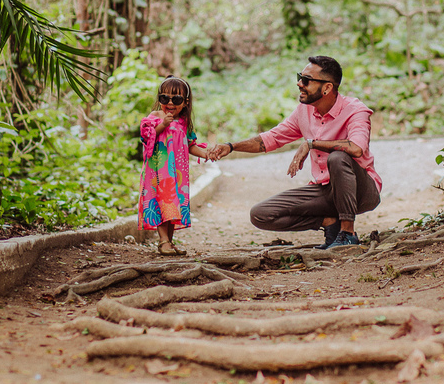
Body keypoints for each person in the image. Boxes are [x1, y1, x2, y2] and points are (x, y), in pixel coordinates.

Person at [207, 56, 381, 249]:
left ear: (327, 88)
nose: (299, 84)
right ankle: (330, 223)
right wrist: (231, 146)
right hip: (326, 190)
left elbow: (356, 148)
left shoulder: (355, 110)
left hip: (361, 191)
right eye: (300, 77)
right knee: (261, 214)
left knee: (338, 158)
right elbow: (271, 139)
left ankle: (348, 234)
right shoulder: (304, 111)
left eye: (306, 80)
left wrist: (312, 144)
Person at [139, 76, 212, 255]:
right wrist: (163, 125)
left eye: (176, 99)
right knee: (160, 201)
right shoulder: (155, 116)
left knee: (173, 204)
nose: (170, 103)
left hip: (177, 173)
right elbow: (146, 136)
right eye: (165, 98)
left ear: (185, 102)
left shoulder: (184, 123)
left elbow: (191, 145)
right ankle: (163, 241)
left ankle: (169, 242)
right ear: (159, 99)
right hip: (158, 171)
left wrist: (206, 154)